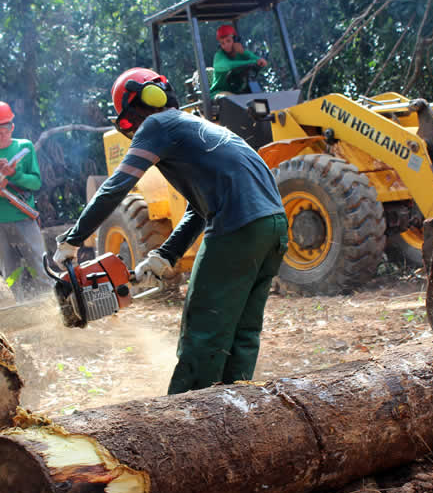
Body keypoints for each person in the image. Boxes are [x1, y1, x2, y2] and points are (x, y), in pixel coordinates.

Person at [55, 67, 287, 395]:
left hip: (237, 225)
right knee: (243, 330)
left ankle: (188, 409)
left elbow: (116, 187)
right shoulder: (196, 125)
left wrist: (73, 240)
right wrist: (165, 255)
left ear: (132, 111)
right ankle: (238, 402)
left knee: (203, 328)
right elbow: (199, 208)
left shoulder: (156, 125)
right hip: (274, 225)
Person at [0, 100, 50, 297]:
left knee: (41, 270)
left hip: (24, 217)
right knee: (11, 278)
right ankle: (17, 309)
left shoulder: (24, 147)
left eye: (6, 128)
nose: (3, 133)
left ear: (12, 127)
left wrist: (14, 174)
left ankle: (53, 306)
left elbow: (35, 183)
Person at [210, 24, 268, 95]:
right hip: (219, 93)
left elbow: (261, 62)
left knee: (260, 97)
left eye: (228, 41)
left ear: (235, 40)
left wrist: (244, 53)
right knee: (228, 98)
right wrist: (253, 62)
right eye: (222, 43)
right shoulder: (219, 56)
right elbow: (229, 65)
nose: (226, 45)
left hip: (239, 94)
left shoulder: (243, 54)